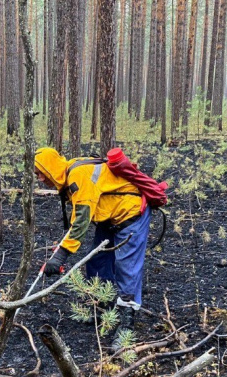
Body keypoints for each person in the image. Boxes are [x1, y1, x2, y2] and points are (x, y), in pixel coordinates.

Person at [34, 147, 150, 350]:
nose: (40, 179)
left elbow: (80, 222)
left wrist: (60, 256)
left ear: (50, 168)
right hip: (109, 217)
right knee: (97, 261)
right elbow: (80, 217)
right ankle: (104, 308)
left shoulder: (78, 176)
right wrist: (61, 249)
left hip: (130, 214)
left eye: (40, 173)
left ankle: (126, 326)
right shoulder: (70, 174)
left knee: (127, 268)